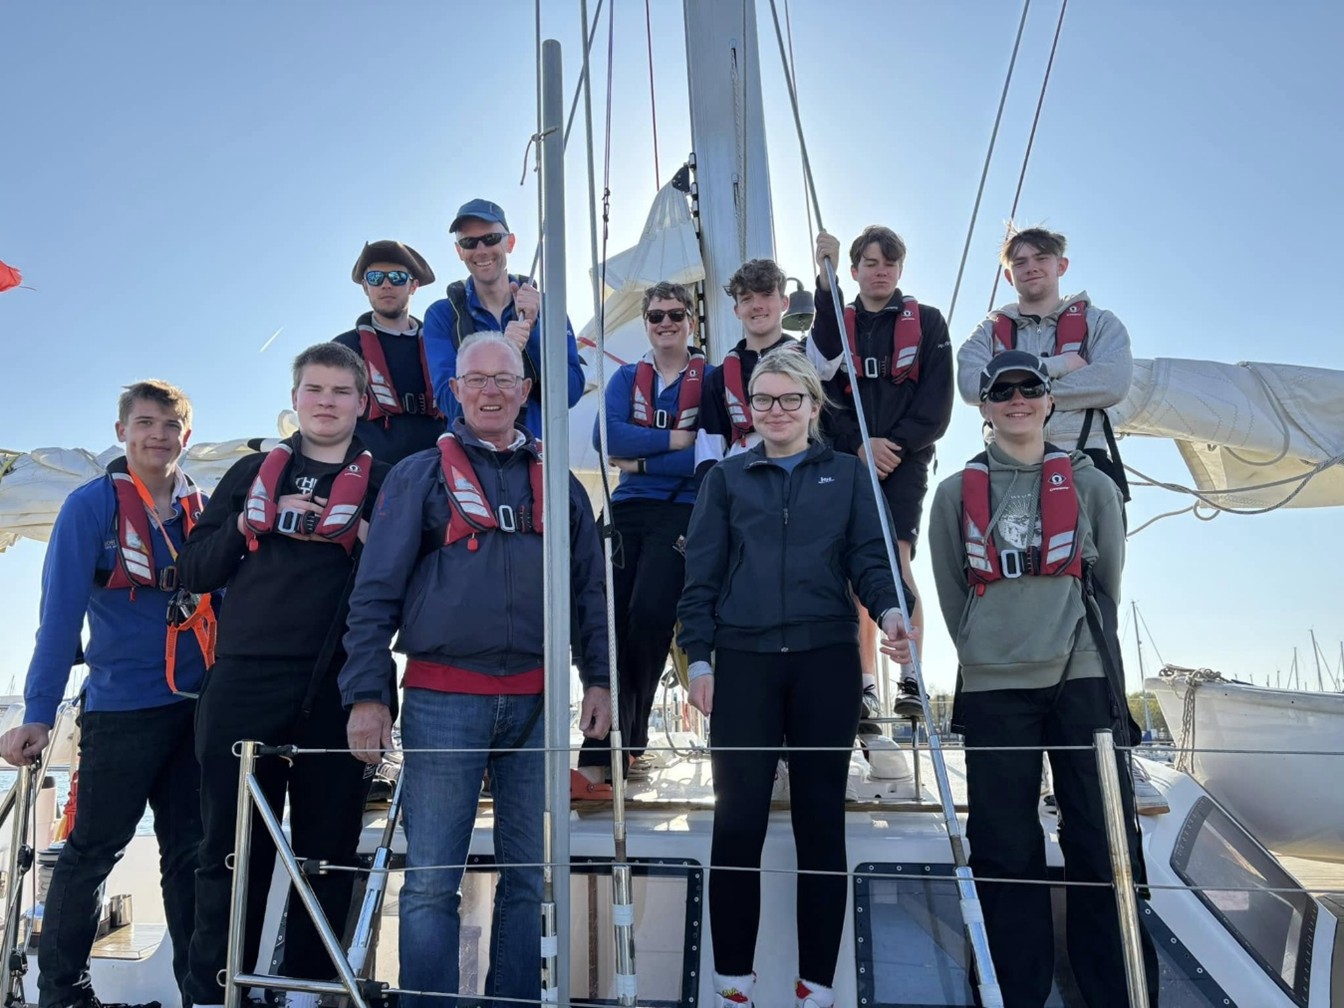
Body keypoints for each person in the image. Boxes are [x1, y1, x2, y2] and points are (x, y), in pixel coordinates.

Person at [339, 332, 612, 1008]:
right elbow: (373, 593)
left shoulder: (560, 485)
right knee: (431, 882)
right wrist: (368, 695)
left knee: (529, 877)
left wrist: (600, 678)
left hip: (539, 702)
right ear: (455, 391)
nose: (491, 391)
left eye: (504, 379)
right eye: (477, 379)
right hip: (442, 700)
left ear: (525, 391)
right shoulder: (417, 477)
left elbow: (590, 592)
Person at [677, 349, 914, 1008]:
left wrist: (892, 611)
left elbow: (870, 560)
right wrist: (699, 658)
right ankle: (734, 987)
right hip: (743, 663)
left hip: (825, 662)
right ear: (750, 409)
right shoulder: (726, 479)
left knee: (820, 824)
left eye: (789, 399)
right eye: (763, 400)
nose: (776, 411)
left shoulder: (848, 476)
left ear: (813, 406)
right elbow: (700, 576)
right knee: (737, 822)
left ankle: (816, 990)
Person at [928, 350, 1157, 1007]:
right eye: (1002, 391)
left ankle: (1117, 995)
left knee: (1101, 841)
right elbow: (951, 590)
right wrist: (986, 646)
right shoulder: (954, 495)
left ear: (1050, 400)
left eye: (1029, 387)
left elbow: (1106, 582)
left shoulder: (1092, 486)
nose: (1017, 400)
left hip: (1082, 676)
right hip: (995, 683)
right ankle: (1015, 994)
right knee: (1003, 849)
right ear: (984, 406)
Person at [178, 343, 390, 1008]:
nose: (326, 402)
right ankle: (215, 995)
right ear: (295, 398)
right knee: (229, 852)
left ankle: (306, 993)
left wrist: (367, 537)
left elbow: (407, 588)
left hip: (338, 685)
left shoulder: (386, 484)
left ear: (362, 402)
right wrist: (245, 525)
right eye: (314, 389)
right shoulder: (250, 473)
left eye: (341, 391)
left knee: (329, 852)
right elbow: (193, 570)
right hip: (244, 683)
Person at [0, 380, 208, 1008]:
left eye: (170, 426)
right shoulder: (89, 508)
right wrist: (38, 713)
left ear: (186, 436)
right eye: (145, 423)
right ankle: (64, 994)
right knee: (92, 851)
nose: (157, 436)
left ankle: (198, 992)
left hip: (197, 709)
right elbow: (58, 617)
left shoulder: (204, 509)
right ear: (122, 432)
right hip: (121, 710)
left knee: (190, 855)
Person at [809, 226, 952, 722]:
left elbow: (936, 404)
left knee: (896, 557)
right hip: (850, 458)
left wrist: (894, 446)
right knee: (855, 569)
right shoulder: (835, 326)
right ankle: (865, 683)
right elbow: (821, 393)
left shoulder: (928, 323)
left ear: (900, 269)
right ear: (853, 271)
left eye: (889, 263)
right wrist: (858, 444)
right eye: (870, 263)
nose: (880, 272)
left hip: (905, 460)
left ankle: (910, 676)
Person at [575, 280, 712, 788]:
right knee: (605, 621)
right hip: (627, 508)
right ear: (646, 322)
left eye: (675, 314)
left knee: (651, 615)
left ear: (691, 321)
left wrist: (640, 458)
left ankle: (619, 746)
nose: (666, 323)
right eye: (656, 316)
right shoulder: (627, 378)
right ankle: (612, 746)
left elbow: (708, 454)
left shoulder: (711, 380)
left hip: (684, 510)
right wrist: (675, 439)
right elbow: (604, 438)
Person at [957, 225, 1134, 496]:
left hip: (1086, 461)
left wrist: (1009, 393)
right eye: (1020, 262)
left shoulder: (1100, 323)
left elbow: (1113, 382)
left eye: (1041, 258)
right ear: (1009, 276)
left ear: (1061, 266)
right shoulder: (987, 331)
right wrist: (1061, 365)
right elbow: (970, 385)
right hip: (1007, 467)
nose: (1031, 267)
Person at [422, 198, 585, 436]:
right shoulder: (442, 316)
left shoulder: (548, 308)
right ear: (459, 251)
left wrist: (534, 331)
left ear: (510, 242)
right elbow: (450, 402)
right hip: (472, 452)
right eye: (469, 242)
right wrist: (502, 351)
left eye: (490, 238)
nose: (481, 250)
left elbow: (570, 394)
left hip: (537, 451)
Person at [334, 239, 442, 465]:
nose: (386, 285)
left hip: (437, 467)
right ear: (366, 287)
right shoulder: (342, 348)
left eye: (397, 277)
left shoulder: (441, 344)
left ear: (413, 286)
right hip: (369, 470)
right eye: (375, 278)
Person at [695, 258, 802, 465]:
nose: (757, 305)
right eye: (746, 299)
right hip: (743, 474)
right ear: (736, 310)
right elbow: (708, 451)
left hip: (801, 470)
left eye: (766, 294)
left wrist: (826, 283)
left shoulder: (809, 362)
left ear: (784, 303)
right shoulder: (717, 379)